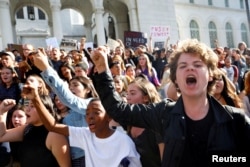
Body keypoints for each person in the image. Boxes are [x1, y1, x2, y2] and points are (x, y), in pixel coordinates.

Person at [91, 39, 250, 167]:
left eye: (197, 65)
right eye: (183, 66)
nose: (190, 69)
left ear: (210, 75)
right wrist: (102, 70)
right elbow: (120, 111)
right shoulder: (163, 113)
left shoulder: (235, 120)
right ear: (175, 79)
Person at [21, 83, 142, 167]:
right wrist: (35, 99)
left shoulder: (124, 141)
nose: (90, 116)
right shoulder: (85, 134)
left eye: (96, 112)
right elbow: (52, 127)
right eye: (87, 113)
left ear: (109, 117)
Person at [32, 50, 99, 167]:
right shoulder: (65, 112)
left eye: (76, 85)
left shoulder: (91, 104)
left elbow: (69, 100)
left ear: (87, 89)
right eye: (69, 86)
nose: (71, 88)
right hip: (74, 159)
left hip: (90, 156)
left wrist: (46, 68)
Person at [0, 98, 71, 167]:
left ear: (46, 111)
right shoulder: (26, 129)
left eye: (32, 106)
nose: (27, 109)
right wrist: (2, 112)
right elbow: (2, 136)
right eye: (27, 105)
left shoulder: (55, 134)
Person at [125, 76, 164, 167]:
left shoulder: (157, 124)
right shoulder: (128, 122)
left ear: (146, 98)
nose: (127, 97)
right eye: (127, 93)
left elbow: (165, 160)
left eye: (132, 93)